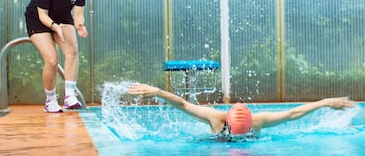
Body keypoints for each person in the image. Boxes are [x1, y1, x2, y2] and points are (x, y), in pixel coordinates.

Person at [127, 83, 355, 136]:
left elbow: (293, 113)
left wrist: (326, 101)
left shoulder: (255, 120)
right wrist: (157, 91)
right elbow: (183, 104)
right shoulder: (215, 118)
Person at [25, 0, 88, 113]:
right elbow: (42, 14)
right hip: (39, 18)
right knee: (52, 59)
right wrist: (55, 28)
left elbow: (78, 13)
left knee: (72, 51)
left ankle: (69, 96)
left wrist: (80, 24)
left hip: (62, 16)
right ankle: (50, 100)